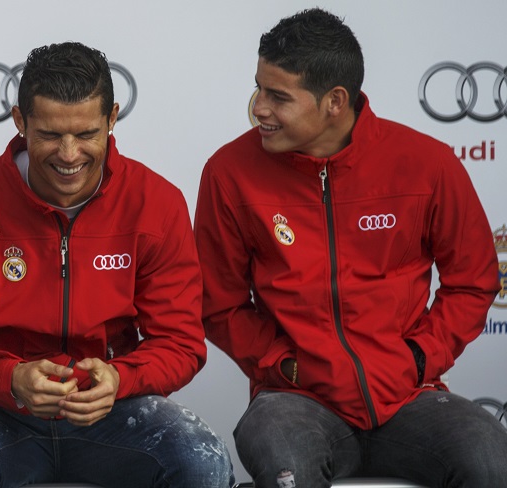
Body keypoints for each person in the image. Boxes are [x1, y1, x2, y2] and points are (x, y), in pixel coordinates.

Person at [194, 8, 507, 488]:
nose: (258, 107)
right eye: (258, 88)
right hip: (294, 398)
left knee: (489, 458)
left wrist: (419, 358)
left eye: (278, 96)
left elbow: (473, 279)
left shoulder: (427, 163)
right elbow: (219, 303)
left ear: (334, 101)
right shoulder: (228, 172)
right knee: (285, 466)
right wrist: (284, 365)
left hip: (407, 394)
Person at [0, 41, 233, 488]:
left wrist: (119, 378)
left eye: (86, 134)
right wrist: (11, 380)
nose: (69, 154)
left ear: (112, 118)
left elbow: (181, 343)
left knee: (202, 460)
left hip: (113, 409)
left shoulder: (156, 204)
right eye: (51, 135)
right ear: (20, 122)